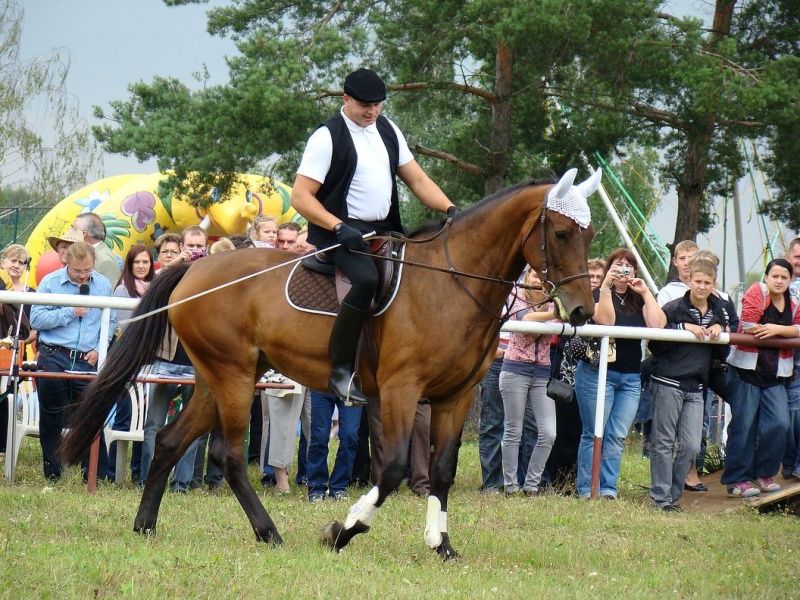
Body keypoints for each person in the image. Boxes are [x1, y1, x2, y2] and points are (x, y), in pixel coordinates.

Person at [290, 67, 456, 407]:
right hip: (341, 233)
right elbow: (300, 196)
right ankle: (339, 369)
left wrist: (452, 210)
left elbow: (419, 182)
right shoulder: (327, 136)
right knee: (365, 280)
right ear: (346, 99)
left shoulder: (387, 129)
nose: (373, 112)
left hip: (383, 231)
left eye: (378, 105)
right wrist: (337, 226)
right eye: (366, 105)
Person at [575, 248, 666, 499]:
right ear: (608, 269)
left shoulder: (640, 299)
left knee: (616, 435)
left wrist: (645, 292)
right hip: (597, 373)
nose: (623, 270)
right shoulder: (595, 293)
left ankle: (607, 488)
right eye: (617, 265)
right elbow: (606, 321)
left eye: (628, 266)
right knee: (594, 431)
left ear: (634, 271)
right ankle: (586, 488)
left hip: (630, 377)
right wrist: (606, 285)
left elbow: (658, 325)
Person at [30, 242, 116, 481]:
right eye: (78, 271)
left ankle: (95, 475)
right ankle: (53, 473)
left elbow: (111, 322)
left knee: (91, 415)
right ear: (66, 262)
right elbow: (36, 319)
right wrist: (69, 311)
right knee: (52, 417)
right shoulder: (49, 283)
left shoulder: (103, 285)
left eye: (87, 270)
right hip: (53, 355)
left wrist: (100, 348)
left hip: (87, 360)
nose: (83, 275)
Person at [647, 258, 728, 511]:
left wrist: (720, 326)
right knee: (663, 441)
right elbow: (655, 337)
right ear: (689, 281)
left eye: (707, 282)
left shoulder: (719, 309)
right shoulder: (675, 307)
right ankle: (660, 498)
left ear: (714, 284)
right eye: (698, 281)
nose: (702, 287)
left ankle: (672, 494)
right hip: (668, 380)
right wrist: (682, 327)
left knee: (692, 445)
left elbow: (732, 326)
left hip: (696, 384)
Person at [722, 258, 800, 498]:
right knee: (744, 426)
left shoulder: (794, 301)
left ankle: (764, 472)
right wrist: (774, 330)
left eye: (783, 277)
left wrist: (776, 330)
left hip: (776, 373)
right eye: (774, 276)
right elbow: (747, 324)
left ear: (790, 280)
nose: (779, 281)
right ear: (766, 277)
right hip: (746, 371)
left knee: (780, 423)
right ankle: (737, 479)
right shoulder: (757, 292)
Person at [500, 267, 557, 496]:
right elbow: (526, 321)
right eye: (535, 275)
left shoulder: (553, 301)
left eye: (543, 278)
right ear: (526, 276)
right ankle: (511, 485)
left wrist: (553, 310)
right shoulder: (516, 295)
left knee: (549, 432)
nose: (539, 281)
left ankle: (532, 484)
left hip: (542, 371)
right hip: (515, 368)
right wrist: (553, 313)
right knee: (514, 430)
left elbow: (555, 328)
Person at [106, 245, 154, 483]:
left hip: (151, 358)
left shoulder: (155, 288)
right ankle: (114, 473)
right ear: (130, 265)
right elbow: (127, 326)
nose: (142, 266)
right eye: (137, 262)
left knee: (145, 420)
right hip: (128, 358)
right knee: (124, 417)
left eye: (146, 262)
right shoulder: (123, 290)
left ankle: (139, 474)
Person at [305, 390, 362, 502]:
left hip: (351, 385)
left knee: (350, 436)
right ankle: (316, 487)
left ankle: (339, 486)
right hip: (322, 383)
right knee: (319, 437)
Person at [784, 238, 800, 480]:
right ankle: (789, 462)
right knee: (791, 416)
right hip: (789, 360)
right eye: (797, 256)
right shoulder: (781, 283)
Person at [72, 213, 122, 287]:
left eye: (73, 229)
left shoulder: (105, 260)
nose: (69, 233)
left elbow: (109, 295)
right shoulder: (94, 254)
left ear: (83, 234)